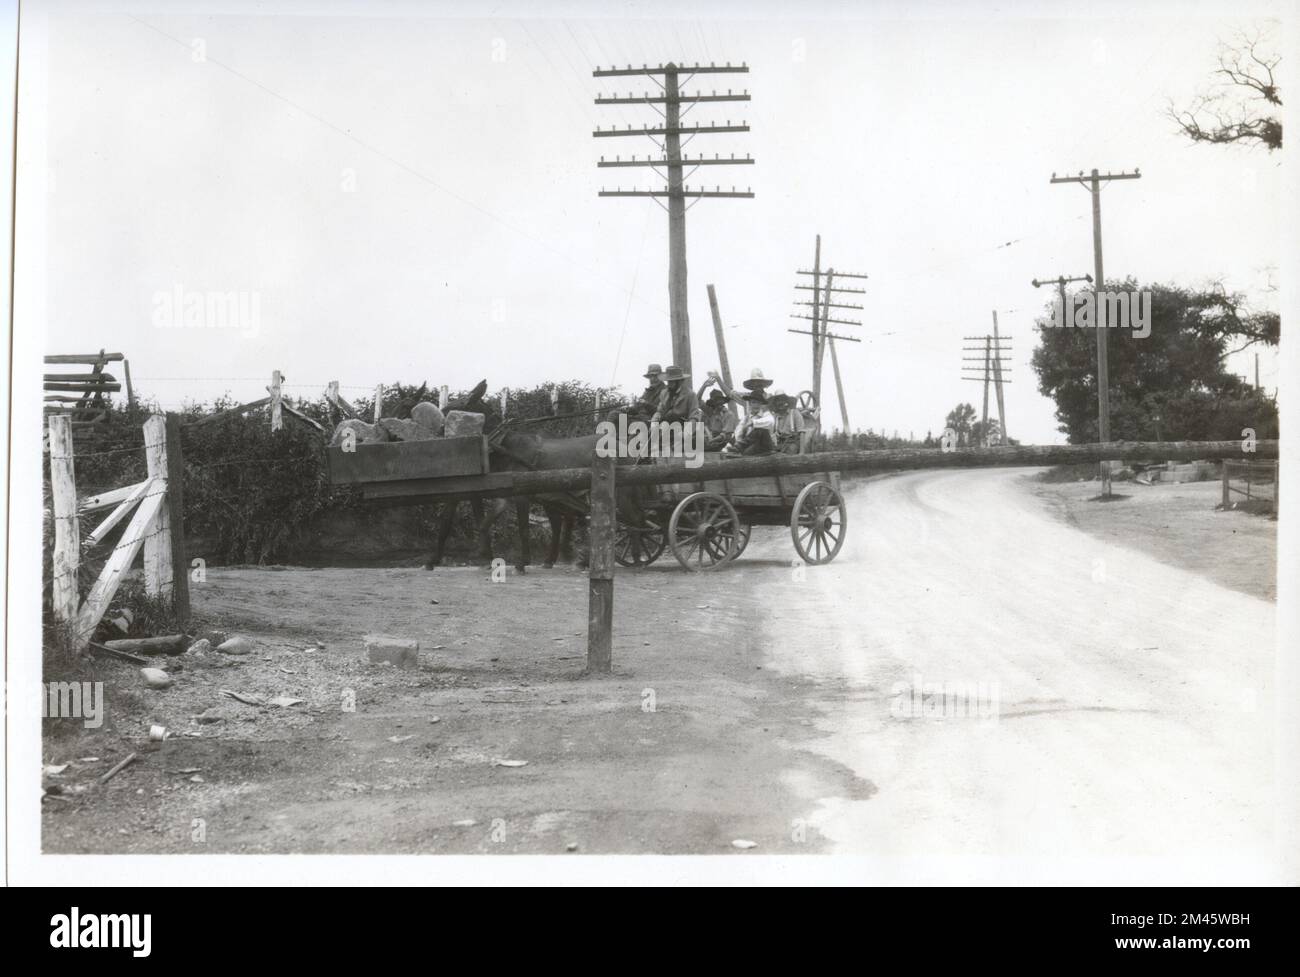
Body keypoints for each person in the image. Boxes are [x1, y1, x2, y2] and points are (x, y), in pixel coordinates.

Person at [725, 390, 778, 455]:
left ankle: (740, 447)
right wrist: (736, 442)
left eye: (758, 403)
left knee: (760, 429)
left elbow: (771, 421)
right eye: (754, 402)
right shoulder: (746, 417)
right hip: (753, 445)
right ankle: (739, 447)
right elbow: (738, 431)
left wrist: (752, 423)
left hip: (766, 445)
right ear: (750, 404)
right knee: (745, 451)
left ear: (761, 404)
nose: (756, 405)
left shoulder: (766, 414)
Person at [697, 374, 739, 450]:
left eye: (720, 402)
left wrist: (712, 440)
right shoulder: (710, 411)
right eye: (716, 402)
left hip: (719, 442)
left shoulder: (728, 415)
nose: (719, 404)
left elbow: (726, 435)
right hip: (708, 439)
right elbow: (697, 401)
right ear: (713, 403)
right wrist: (704, 386)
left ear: (723, 402)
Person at [770, 389, 808, 454]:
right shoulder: (775, 416)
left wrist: (802, 453)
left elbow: (802, 432)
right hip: (780, 443)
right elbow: (771, 433)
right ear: (775, 403)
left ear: (786, 401)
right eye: (778, 400)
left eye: (782, 400)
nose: (780, 403)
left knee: (789, 453)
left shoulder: (795, 413)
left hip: (792, 442)